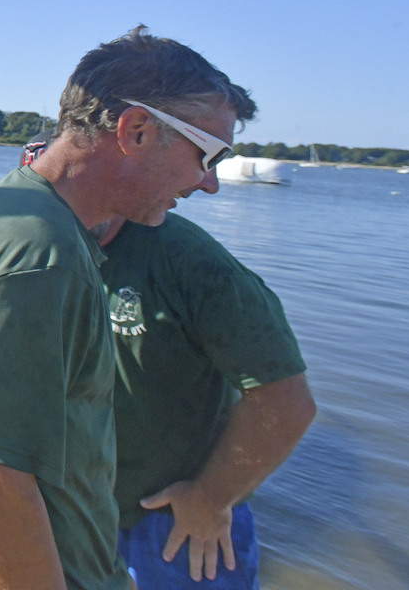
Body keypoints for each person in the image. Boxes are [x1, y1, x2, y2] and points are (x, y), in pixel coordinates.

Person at [0, 26, 256, 590]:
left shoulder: (4, 209)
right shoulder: (43, 258)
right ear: (138, 130)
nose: (209, 183)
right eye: (208, 153)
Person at [95, 213, 314, 589]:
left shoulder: (191, 260)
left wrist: (210, 497)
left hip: (178, 522)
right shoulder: (51, 247)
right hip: (90, 511)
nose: (207, 184)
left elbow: (286, 404)